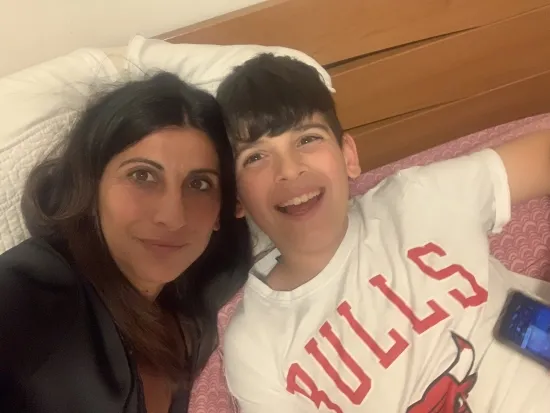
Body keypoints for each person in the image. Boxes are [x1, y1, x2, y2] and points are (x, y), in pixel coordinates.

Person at [216, 54, 550, 412]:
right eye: (255, 157)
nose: (289, 169)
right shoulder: (254, 345)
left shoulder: (419, 198)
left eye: (308, 139)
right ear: (237, 198)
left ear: (348, 156)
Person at [0, 72, 252, 413]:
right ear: (92, 187)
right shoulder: (37, 293)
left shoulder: (202, 306)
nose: (173, 217)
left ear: (222, 210)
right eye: (142, 175)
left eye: (199, 184)